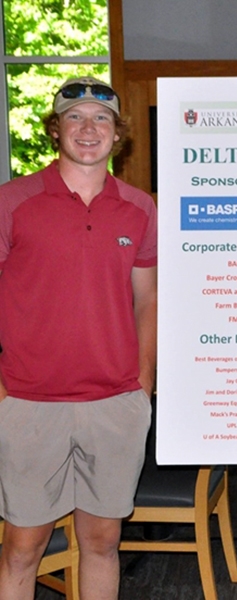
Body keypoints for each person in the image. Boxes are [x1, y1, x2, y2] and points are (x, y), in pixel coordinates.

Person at [0, 76, 157, 600]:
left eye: (101, 120)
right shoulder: (13, 201)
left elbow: (148, 299)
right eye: (75, 117)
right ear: (56, 129)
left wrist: (144, 381)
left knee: (103, 540)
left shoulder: (138, 207)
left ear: (117, 135)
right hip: (28, 400)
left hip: (114, 401)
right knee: (24, 544)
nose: (88, 129)